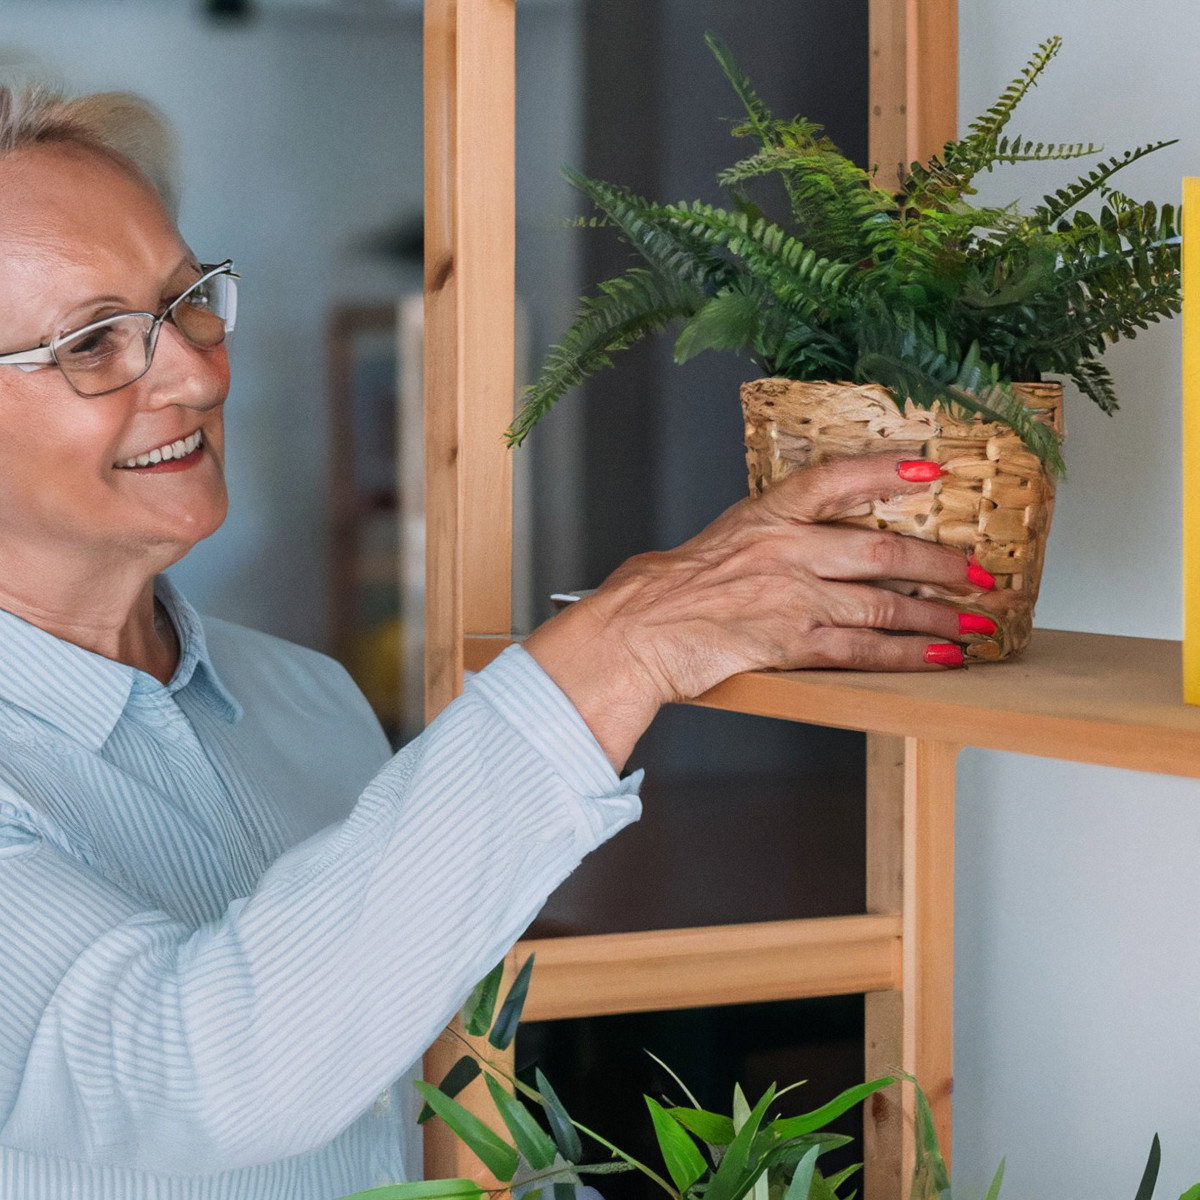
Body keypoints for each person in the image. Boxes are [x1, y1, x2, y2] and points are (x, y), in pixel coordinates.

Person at [0, 83, 986, 1200]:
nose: (196, 370)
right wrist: (619, 648)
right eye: (92, 342)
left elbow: (407, 1088)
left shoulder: (304, 699)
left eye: (186, 302)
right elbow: (198, 1076)